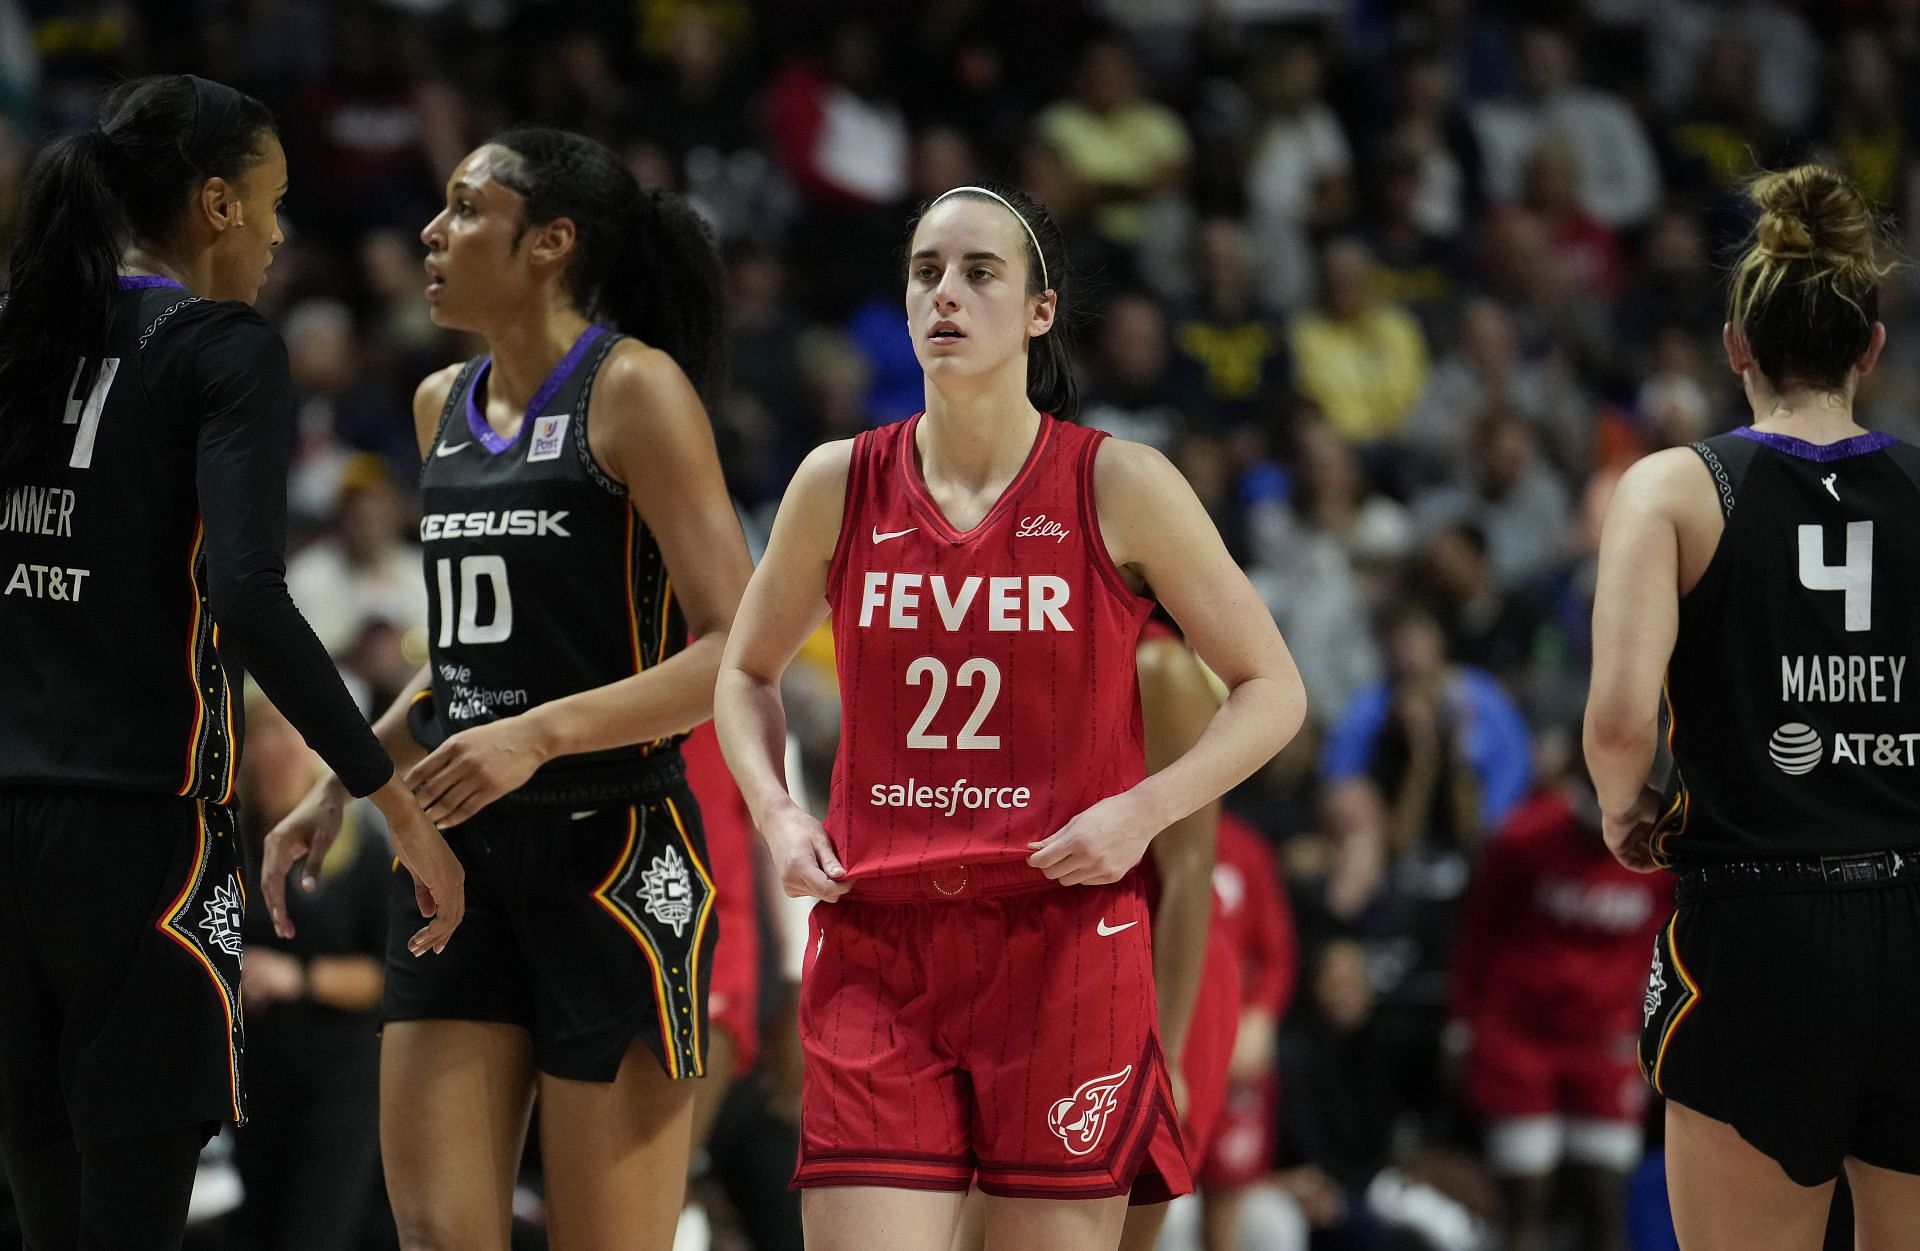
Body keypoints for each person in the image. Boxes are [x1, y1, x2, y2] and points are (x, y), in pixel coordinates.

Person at [715, 182, 1307, 1250]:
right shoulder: (837, 481)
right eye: (926, 271)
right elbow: (743, 674)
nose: (946, 292)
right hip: (881, 941)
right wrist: (775, 812)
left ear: (1040, 310)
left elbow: (1275, 691)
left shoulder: (1118, 482)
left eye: (980, 272)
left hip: (1063, 945)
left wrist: (1140, 813)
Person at [264, 127, 753, 1247]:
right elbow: (473, 659)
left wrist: (541, 735)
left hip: (614, 851)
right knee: (439, 1234)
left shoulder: (635, 390)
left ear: (550, 243)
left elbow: (736, 645)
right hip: (454, 861)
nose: (431, 234)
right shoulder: (442, 404)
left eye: (464, 209)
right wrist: (346, 781)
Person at [0, 74, 458, 1249]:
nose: (276, 232)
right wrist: (387, 794)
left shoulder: (24, 328)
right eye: (269, 202)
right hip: (143, 835)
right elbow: (246, 592)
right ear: (212, 203)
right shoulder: (220, 346)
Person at [1586, 164, 1920, 1249]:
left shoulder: (1674, 488)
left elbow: (1622, 720)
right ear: (1871, 345)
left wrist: (1620, 805)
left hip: (1761, 929)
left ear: (1737, 343)